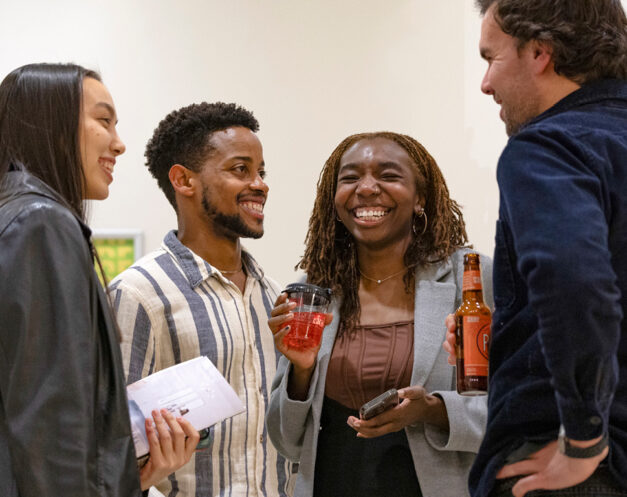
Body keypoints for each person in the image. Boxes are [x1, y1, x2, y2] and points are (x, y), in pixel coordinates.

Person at [442, 1, 627, 496]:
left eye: (491, 58)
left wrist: (584, 438)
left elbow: (575, 280)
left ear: (540, 52)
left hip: (571, 468)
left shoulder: (548, 146)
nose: (486, 84)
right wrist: (511, 334)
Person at [0, 63, 199, 497]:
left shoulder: (20, 215)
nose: (120, 143)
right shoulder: (42, 223)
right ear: (49, 122)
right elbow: (50, 425)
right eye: (103, 120)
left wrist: (130, 476)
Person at [265, 131, 493, 497]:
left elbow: (516, 409)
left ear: (421, 197)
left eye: (388, 176)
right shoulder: (314, 290)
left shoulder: (472, 281)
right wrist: (301, 371)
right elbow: (287, 442)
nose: (367, 188)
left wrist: (433, 410)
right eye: (351, 177)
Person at [109, 102, 295, 497]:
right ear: (184, 180)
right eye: (240, 169)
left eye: (261, 172)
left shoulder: (274, 297)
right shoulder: (138, 293)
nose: (260, 184)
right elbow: (110, 448)